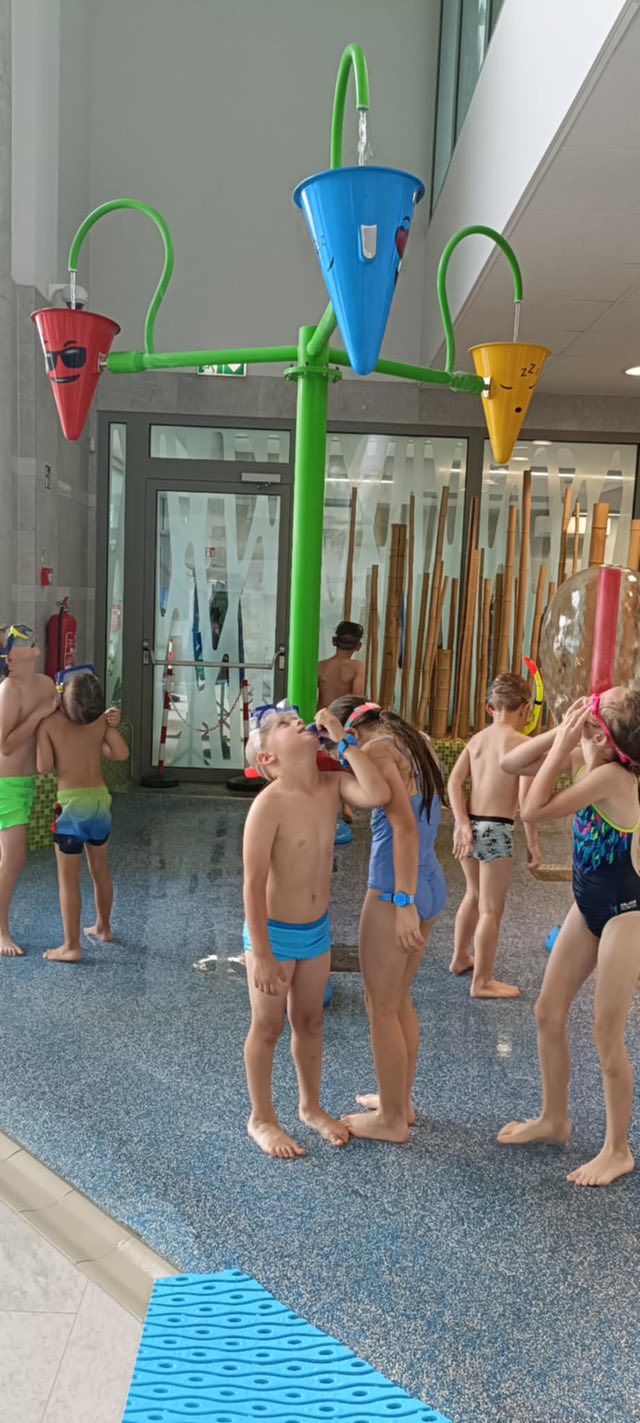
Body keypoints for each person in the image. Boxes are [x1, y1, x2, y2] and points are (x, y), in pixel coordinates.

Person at [498, 689, 640, 1188]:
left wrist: (561, 746)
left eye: (597, 703)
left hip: (626, 914)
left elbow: (532, 810)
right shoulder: (592, 756)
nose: (588, 698)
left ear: (599, 735)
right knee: (547, 1012)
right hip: (588, 905)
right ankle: (554, 1118)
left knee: (606, 1034)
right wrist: (562, 734)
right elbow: (512, 763)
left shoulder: (611, 776)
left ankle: (618, 1150)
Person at [242, 703, 390, 1160]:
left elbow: (377, 793)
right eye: (285, 725)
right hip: (272, 933)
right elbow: (252, 884)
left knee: (310, 1021)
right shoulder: (269, 804)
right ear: (268, 758)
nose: (298, 722)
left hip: (316, 931)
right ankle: (261, 1118)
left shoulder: (333, 786)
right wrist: (262, 953)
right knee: (268, 1026)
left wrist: (344, 740)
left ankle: (310, 1106)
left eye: (296, 719)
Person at [327, 697, 447, 1143]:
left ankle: (392, 1120)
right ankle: (400, 1101)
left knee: (379, 1007)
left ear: (351, 731)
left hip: (395, 887)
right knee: (397, 1000)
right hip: (429, 878)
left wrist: (402, 902)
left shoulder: (377, 750)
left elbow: (404, 827)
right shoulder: (416, 742)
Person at [447, 673, 542, 999]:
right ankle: (483, 981)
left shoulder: (477, 740)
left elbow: (454, 781)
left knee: (473, 895)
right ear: (525, 709)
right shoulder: (523, 745)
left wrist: (461, 822)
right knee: (491, 909)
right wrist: (533, 844)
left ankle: (460, 957)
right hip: (496, 830)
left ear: (490, 708)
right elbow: (527, 804)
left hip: (469, 827)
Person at [36, 667, 128, 963]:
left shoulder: (49, 724)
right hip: (99, 802)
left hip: (71, 806)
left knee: (69, 880)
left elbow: (43, 767)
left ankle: (71, 946)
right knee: (100, 870)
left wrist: (44, 732)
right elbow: (121, 753)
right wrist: (104, 735)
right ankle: (104, 927)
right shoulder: (99, 722)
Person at [0, 625, 58, 957]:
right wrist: (38, 714)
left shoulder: (46, 684)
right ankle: (1, 931)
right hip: (5, 784)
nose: (24, 639)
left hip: (25, 782)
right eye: (12, 642)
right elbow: (6, 745)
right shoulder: (9, 690)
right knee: (14, 858)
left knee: (7, 859)